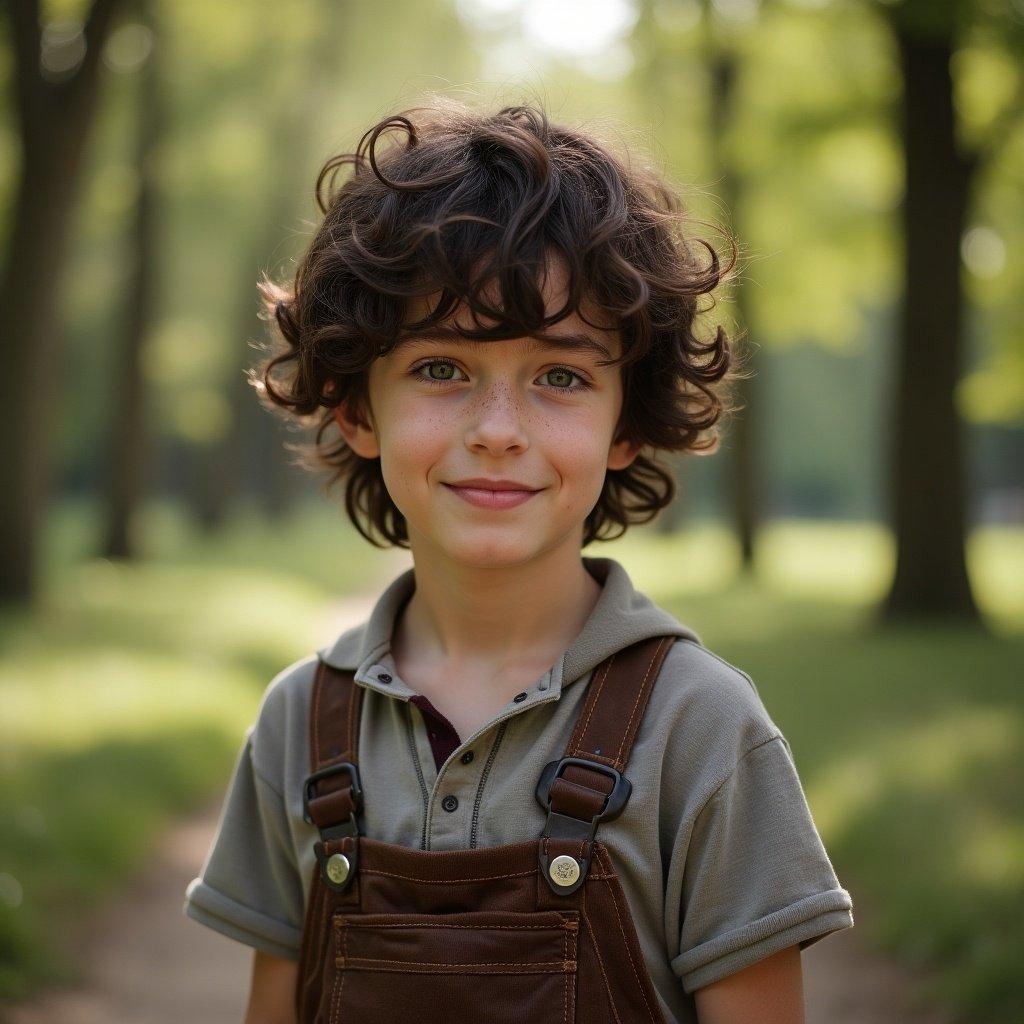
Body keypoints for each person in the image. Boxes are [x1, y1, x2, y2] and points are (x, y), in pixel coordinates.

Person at [183, 97, 854, 1024]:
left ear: (628, 422)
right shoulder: (301, 723)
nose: (498, 432)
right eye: (442, 369)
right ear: (357, 409)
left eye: (562, 377)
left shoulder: (702, 730)